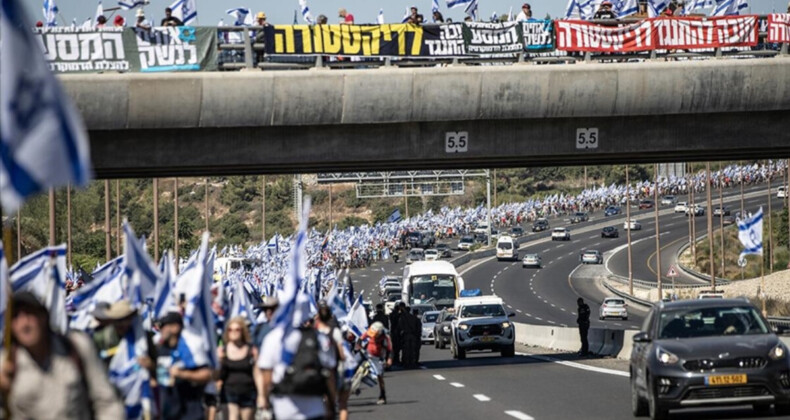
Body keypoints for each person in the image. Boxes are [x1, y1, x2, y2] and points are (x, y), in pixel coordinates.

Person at [0, 292, 124, 420]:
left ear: (43, 316)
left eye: (29, 314)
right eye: (16, 317)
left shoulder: (76, 346)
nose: (24, 324)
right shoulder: (5, 365)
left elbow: (107, 401)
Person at [257, 311, 338, 420]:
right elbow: (330, 375)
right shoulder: (320, 338)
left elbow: (266, 376)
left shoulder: (273, 338)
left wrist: (264, 399)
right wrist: (331, 404)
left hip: (283, 408)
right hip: (315, 407)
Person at [155, 311, 213, 420]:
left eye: (163, 326)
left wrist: (182, 374)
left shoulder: (190, 347)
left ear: (175, 327)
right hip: (167, 413)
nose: (160, 330)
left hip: (190, 413)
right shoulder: (160, 349)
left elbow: (206, 374)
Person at [92, 300, 153, 372]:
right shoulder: (101, 338)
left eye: (126, 319)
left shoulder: (144, 338)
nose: (123, 324)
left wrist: (151, 366)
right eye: (118, 320)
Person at [218, 317, 259, 420]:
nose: (234, 332)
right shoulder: (223, 351)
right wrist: (219, 361)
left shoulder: (251, 350)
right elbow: (216, 376)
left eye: (237, 329)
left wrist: (262, 395)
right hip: (229, 392)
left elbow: (257, 374)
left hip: (248, 392)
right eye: (230, 330)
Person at [359, 322, 392, 405]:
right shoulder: (370, 332)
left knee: (379, 375)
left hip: (377, 358)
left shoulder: (385, 338)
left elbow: (390, 350)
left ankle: (382, 396)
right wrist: (359, 347)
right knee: (352, 364)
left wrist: (389, 359)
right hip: (366, 354)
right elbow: (360, 339)